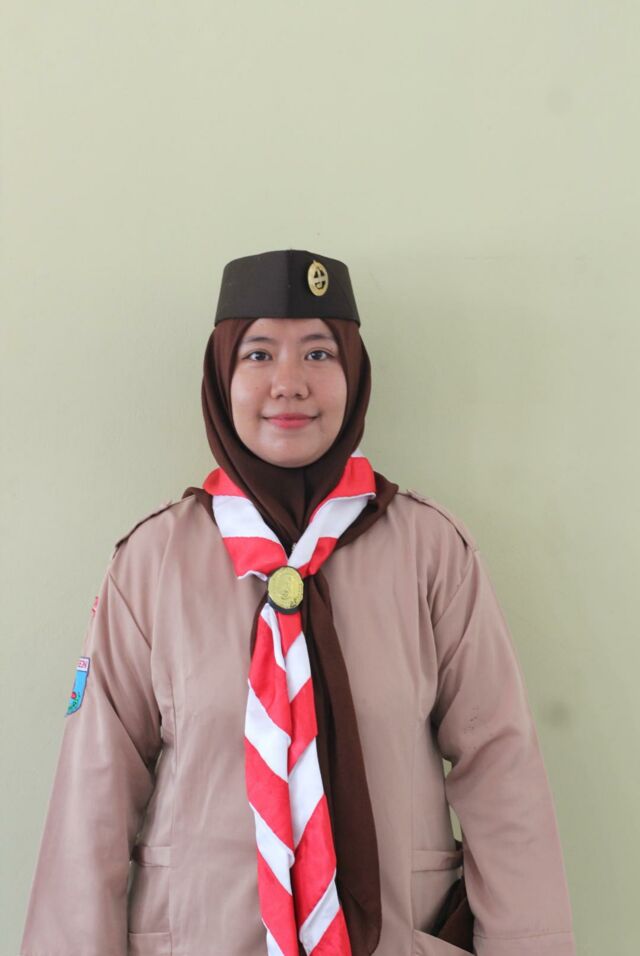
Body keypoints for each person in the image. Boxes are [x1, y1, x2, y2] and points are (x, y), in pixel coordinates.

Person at [19, 249, 577, 956]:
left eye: (319, 352)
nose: (289, 383)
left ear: (354, 373)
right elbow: (92, 797)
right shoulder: (153, 561)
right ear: (221, 378)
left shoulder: (431, 551)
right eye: (258, 354)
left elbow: (501, 771)